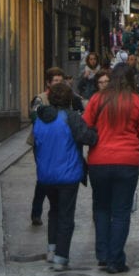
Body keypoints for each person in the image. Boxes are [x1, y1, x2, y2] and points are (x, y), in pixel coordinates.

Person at [83, 63, 139, 273]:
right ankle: (116, 259)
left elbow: (86, 124)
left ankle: (103, 254)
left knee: (101, 208)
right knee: (121, 211)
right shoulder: (136, 101)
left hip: (99, 160)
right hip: (126, 161)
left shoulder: (98, 99)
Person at [32, 82, 98, 272]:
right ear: (69, 99)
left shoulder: (40, 119)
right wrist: (96, 130)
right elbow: (87, 138)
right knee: (66, 216)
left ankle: (52, 250)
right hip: (68, 174)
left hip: (46, 175)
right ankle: (61, 256)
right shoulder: (70, 117)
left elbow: (36, 145)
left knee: (53, 211)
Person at [29, 66, 83, 226]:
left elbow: (80, 112)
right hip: (44, 143)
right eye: (56, 81)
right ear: (48, 83)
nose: (59, 84)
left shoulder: (70, 97)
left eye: (61, 81)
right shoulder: (40, 99)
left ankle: (58, 208)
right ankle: (36, 212)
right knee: (44, 178)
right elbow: (33, 116)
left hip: (64, 142)